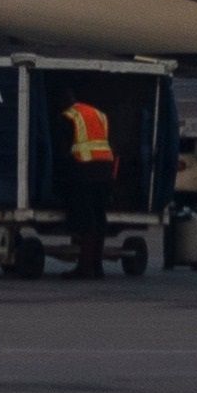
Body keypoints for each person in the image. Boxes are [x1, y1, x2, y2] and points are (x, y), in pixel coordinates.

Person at [57, 96, 117, 277]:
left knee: (86, 221)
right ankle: (97, 267)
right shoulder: (99, 114)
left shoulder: (68, 116)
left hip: (85, 170)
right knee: (99, 218)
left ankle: (84, 267)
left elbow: (62, 149)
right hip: (105, 170)